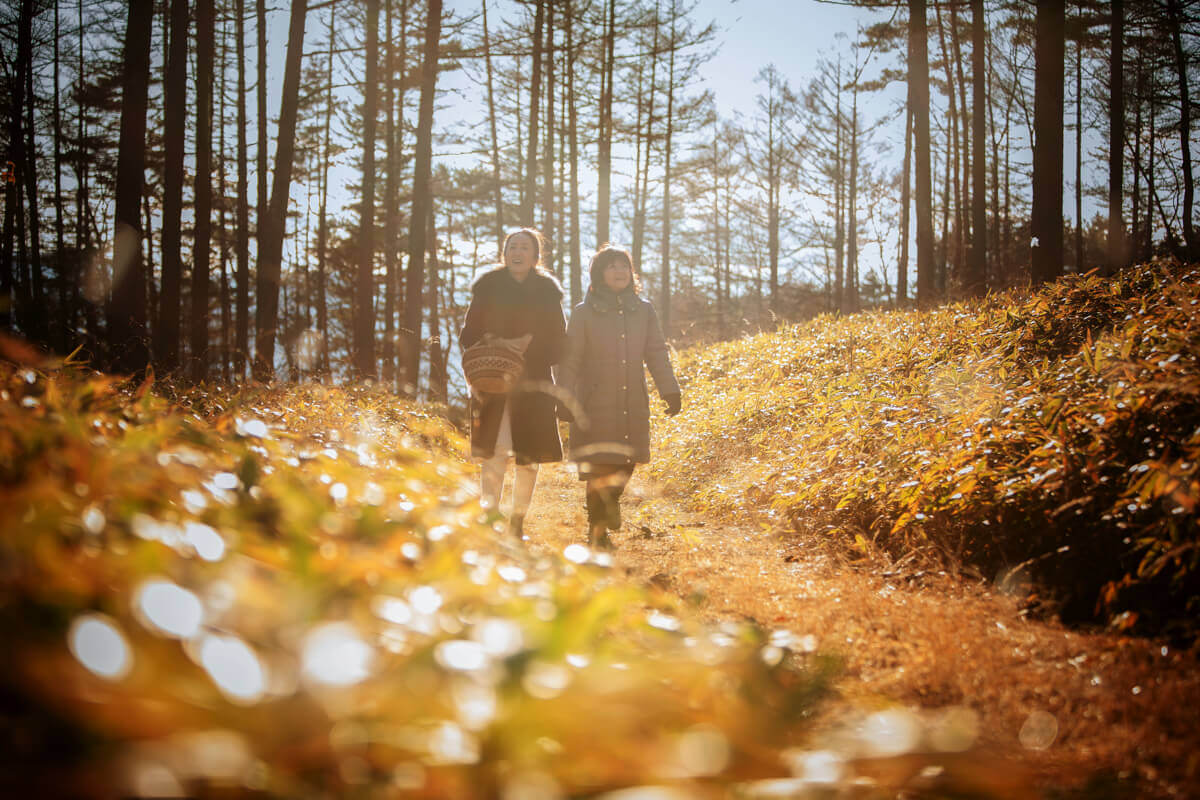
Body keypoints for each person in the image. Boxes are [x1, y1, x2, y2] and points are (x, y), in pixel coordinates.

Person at [557, 244, 681, 549]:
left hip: (631, 401)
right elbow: (570, 359)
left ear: (632, 272)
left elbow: (656, 352)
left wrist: (670, 389)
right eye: (612, 266)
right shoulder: (583, 313)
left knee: (627, 461)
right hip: (593, 402)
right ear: (599, 273)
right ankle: (597, 530)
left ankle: (608, 507)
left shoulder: (644, 310)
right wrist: (564, 397)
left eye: (624, 266)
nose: (620, 272)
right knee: (599, 466)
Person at [460, 228, 567, 537]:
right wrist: (492, 340)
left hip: (533, 386)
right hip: (491, 383)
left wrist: (528, 343)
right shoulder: (488, 288)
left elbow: (561, 342)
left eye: (525, 247)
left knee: (528, 458)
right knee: (494, 454)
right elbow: (467, 335)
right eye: (512, 247)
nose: (518, 252)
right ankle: (490, 516)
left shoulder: (547, 292)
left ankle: (518, 521)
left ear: (535, 256)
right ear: (504, 255)